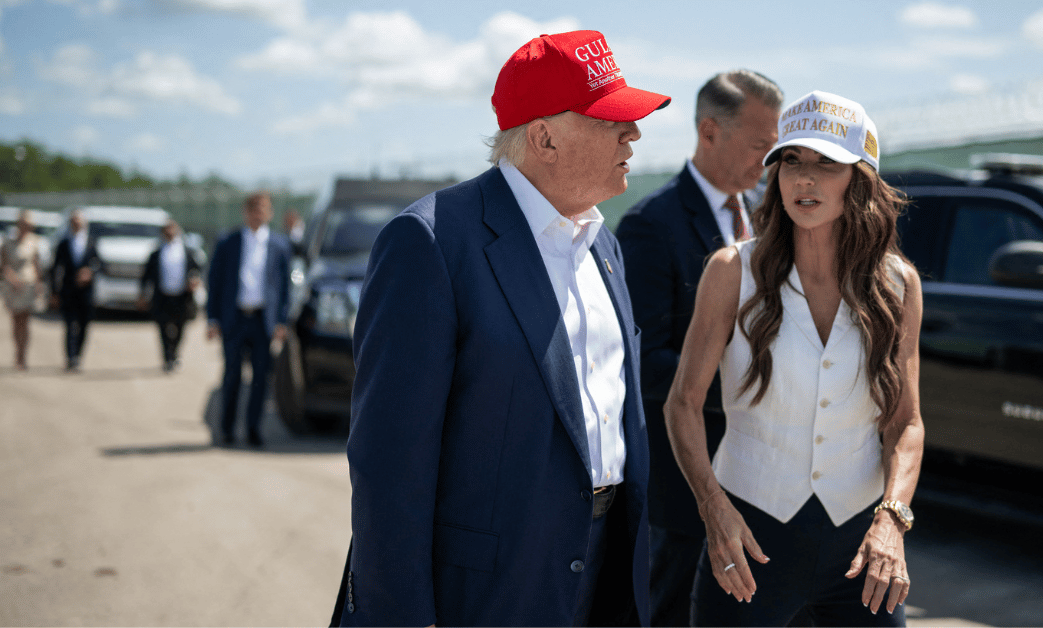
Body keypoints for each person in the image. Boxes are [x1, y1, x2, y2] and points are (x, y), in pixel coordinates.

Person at [337, 30, 669, 627]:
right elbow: (389, 469)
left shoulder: (603, 246)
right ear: (544, 137)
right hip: (489, 592)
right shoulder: (432, 243)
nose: (634, 135)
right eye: (610, 120)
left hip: (606, 577)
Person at [664, 90, 924, 626]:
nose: (804, 180)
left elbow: (905, 422)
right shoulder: (731, 271)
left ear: (860, 178)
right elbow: (683, 405)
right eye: (791, 162)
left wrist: (892, 522)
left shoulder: (898, 285)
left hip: (861, 548)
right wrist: (714, 510)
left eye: (826, 164)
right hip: (751, 543)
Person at [615, 69, 782, 627]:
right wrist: (747, 383)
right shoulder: (650, 225)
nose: (768, 160)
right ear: (710, 131)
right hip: (687, 483)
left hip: (767, 474)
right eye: (760, 144)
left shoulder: (772, 217)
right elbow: (641, 361)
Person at [205, 192, 291, 448]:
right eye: (253, 209)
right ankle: (227, 429)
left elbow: (284, 287)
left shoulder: (279, 245)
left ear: (270, 213)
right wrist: (212, 319)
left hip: (263, 321)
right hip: (235, 319)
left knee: (260, 378)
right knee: (231, 375)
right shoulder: (228, 242)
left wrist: (281, 321)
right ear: (245, 212)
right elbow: (215, 282)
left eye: (263, 209)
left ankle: (253, 429)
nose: (258, 213)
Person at [139, 219, 202, 372]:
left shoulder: (188, 251)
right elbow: (146, 276)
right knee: (162, 327)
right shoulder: (156, 253)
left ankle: (175, 353)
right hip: (162, 297)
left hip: (182, 297)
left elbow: (198, 269)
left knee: (180, 327)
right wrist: (142, 294)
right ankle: (167, 357)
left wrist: (194, 280)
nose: (170, 233)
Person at [50, 209, 100, 372]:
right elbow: (55, 269)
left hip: (86, 292)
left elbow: (100, 264)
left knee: (84, 325)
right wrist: (54, 292)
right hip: (68, 291)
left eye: (80, 222)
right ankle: (71, 358)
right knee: (70, 325)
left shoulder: (91, 242)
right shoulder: (63, 243)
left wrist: (90, 273)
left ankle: (78, 355)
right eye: (74, 222)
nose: (77, 225)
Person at [1, 209, 45, 370]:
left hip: (28, 284)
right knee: (16, 321)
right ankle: (17, 351)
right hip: (13, 285)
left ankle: (22, 354)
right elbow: (4, 265)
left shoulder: (34, 242)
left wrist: (39, 284)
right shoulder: (8, 241)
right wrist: (12, 279)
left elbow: (37, 265)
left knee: (25, 321)